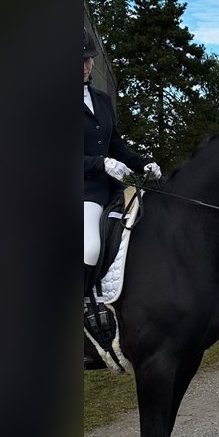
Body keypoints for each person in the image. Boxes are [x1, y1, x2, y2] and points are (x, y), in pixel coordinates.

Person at [83, 27, 161, 356]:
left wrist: (143, 163)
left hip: (113, 189)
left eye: (88, 60)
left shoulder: (101, 99)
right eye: (79, 61)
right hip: (81, 188)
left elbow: (117, 144)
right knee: (89, 246)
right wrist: (99, 164)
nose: (85, 66)